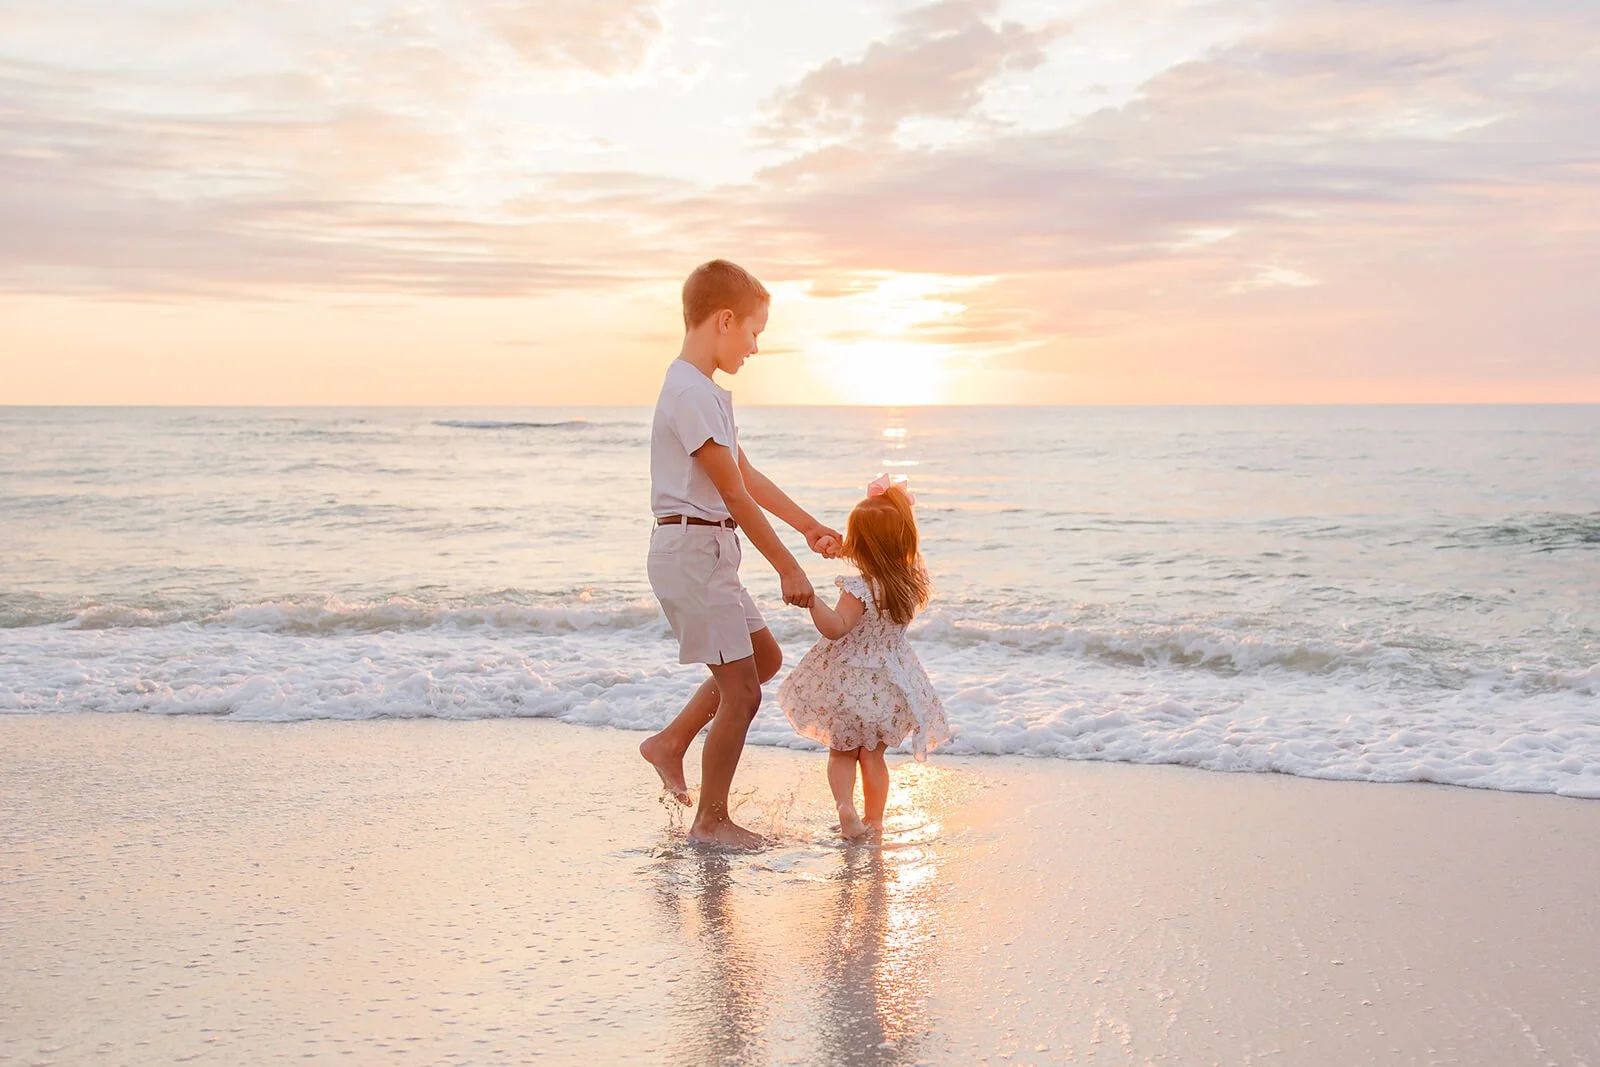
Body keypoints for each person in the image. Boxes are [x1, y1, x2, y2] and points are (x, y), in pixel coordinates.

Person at [640, 259, 842, 850]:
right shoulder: (688, 391)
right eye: (754, 332)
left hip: (706, 549)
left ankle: (671, 742)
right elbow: (729, 490)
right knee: (743, 692)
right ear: (724, 320)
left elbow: (744, 474)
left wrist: (807, 527)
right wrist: (787, 568)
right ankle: (711, 821)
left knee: (764, 657)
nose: (755, 347)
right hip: (692, 551)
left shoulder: (707, 394)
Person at [778, 477, 950, 840]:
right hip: (889, 684)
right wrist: (836, 548)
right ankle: (874, 822)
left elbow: (836, 628)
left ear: (859, 542)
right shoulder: (912, 582)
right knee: (873, 756)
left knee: (842, 753)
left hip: (847, 684)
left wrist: (813, 602)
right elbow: (880, 554)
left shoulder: (858, 589)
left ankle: (845, 808)